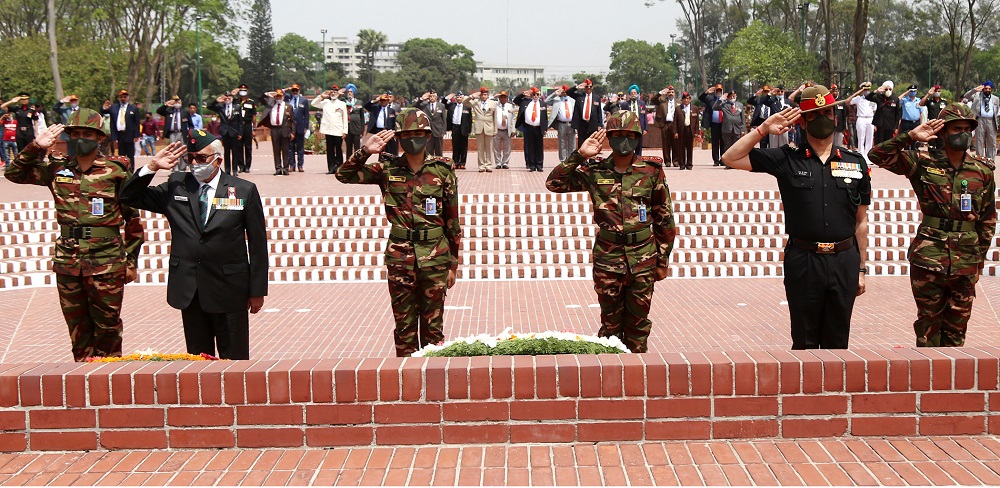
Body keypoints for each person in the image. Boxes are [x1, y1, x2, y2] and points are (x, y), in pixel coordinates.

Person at [722, 85, 871, 349]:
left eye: (826, 113)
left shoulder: (855, 162)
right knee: (804, 342)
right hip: (804, 262)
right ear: (801, 121)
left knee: (838, 343)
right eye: (813, 115)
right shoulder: (787, 159)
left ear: (835, 117)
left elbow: (861, 221)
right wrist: (763, 129)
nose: (822, 120)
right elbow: (730, 157)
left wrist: (861, 269)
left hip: (844, 261)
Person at [5, 109, 144, 361]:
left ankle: (109, 382)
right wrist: (36, 146)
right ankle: (82, 382)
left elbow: (133, 220)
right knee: (77, 329)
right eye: (76, 133)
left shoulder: (116, 170)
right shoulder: (56, 168)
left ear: (99, 138)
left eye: (87, 133)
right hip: (68, 262)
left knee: (108, 327)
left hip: (107, 261)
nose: (81, 138)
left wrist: (131, 262)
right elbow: (14, 173)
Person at [120, 130, 268, 360]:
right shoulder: (177, 185)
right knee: (198, 361)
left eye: (201, 158)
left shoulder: (243, 190)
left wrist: (257, 290)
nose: (195, 163)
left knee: (235, 360)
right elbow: (128, 196)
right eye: (190, 158)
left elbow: (258, 245)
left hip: (229, 288)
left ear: (217, 159)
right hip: (191, 289)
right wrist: (152, 166)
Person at [545, 111, 675, 352]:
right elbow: (555, 183)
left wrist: (662, 260)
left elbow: (664, 217)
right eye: (617, 135)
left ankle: (637, 376)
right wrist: (579, 155)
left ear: (638, 137)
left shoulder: (651, 170)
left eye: (629, 135)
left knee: (638, 326)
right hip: (608, 257)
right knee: (610, 326)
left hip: (643, 256)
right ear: (609, 138)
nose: (623, 141)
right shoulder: (595, 169)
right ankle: (611, 379)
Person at [868, 103, 996, 347]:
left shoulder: (982, 170)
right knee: (928, 328)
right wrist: (910, 136)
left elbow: (987, 219)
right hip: (929, 255)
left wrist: (978, 260)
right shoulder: (923, 161)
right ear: (943, 132)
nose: (963, 134)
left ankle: (951, 383)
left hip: (966, 258)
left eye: (967, 129)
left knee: (957, 328)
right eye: (956, 128)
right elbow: (877, 155)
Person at [336, 108, 461, 357]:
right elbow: (344, 175)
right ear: (399, 138)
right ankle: (408, 384)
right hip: (400, 256)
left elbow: (452, 220)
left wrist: (453, 264)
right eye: (406, 134)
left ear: (427, 136)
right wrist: (365, 151)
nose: (413, 139)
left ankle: (434, 383)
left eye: (418, 133)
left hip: (435, 255)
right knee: (404, 327)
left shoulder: (442, 169)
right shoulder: (386, 169)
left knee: (433, 329)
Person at [312, 85, 349, 174]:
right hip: (328, 130)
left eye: (335, 91)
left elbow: (345, 118)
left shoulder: (342, 104)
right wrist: (321, 96)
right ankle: (331, 167)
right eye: (331, 91)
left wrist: (345, 131)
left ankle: (339, 167)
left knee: (339, 149)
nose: (333, 93)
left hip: (338, 130)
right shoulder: (325, 102)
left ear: (338, 93)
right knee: (330, 150)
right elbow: (313, 103)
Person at [100, 89, 141, 170]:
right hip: (119, 134)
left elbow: (137, 123)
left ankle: (131, 170)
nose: (123, 98)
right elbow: (103, 112)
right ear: (119, 98)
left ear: (128, 98)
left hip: (130, 134)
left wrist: (136, 135)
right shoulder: (114, 107)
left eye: (125, 97)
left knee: (130, 155)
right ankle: (122, 170)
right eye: (121, 97)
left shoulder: (133, 109)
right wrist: (104, 107)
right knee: (121, 154)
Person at [259, 88, 296, 176]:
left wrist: (293, 132)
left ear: (283, 96)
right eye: (277, 96)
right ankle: (278, 168)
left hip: (285, 129)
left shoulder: (288, 106)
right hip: (275, 129)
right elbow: (260, 99)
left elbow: (293, 121)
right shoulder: (271, 105)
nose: (279, 98)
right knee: (276, 150)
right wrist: (268, 93)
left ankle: (286, 168)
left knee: (286, 150)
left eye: (280, 96)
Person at [207, 91, 245, 176]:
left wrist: (240, 133)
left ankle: (235, 170)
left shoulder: (237, 107)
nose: (227, 99)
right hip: (225, 132)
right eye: (226, 97)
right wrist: (216, 101)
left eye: (229, 97)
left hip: (234, 132)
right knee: (226, 152)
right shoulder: (220, 107)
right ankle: (227, 170)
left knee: (235, 152)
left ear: (232, 98)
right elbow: (209, 106)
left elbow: (240, 122)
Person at [963, 82, 1000, 161]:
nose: (987, 90)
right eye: (986, 88)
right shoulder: (977, 96)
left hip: (991, 121)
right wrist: (974, 90)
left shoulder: (996, 99)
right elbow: (965, 96)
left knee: (992, 142)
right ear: (983, 89)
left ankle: (990, 161)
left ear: (991, 90)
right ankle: (980, 161)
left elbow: (996, 110)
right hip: (980, 120)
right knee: (979, 141)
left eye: (989, 89)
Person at [513, 87, 548, 172]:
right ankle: (531, 165)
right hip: (529, 127)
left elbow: (545, 118)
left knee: (539, 147)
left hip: (538, 128)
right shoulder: (525, 102)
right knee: (530, 147)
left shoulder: (543, 104)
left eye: (537, 94)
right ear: (531, 95)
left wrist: (545, 128)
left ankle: (539, 165)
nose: (535, 96)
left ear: (539, 95)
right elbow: (515, 101)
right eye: (533, 94)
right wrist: (523, 94)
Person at [464, 87, 498, 173]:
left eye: (486, 94)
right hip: (479, 127)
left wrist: (495, 130)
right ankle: (481, 165)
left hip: (489, 127)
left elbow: (495, 117)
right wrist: (472, 96)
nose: (484, 96)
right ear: (480, 95)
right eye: (482, 94)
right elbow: (465, 102)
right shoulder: (476, 102)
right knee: (480, 148)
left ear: (488, 95)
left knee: (489, 148)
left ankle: (489, 165)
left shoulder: (493, 103)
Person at [157, 96, 193, 171]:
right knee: (173, 151)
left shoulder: (185, 112)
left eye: (178, 101)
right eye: (175, 102)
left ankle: (182, 168)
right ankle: (175, 168)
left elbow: (190, 124)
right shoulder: (168, 110)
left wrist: (190, 133)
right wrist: (166, 104)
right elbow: (159, 111)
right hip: (172, 133)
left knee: (183, 151)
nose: (177, 103)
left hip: (182, 133)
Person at [567, 79, 604, 147]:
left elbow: (599, 112)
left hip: (593, 124)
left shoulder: (596, 97)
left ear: (592, 87)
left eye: (590, 87)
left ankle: (591, 158)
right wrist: (577, 87)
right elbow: (568, 92)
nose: (588, 88)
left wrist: (600, 124)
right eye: (587, 87)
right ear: (584, 88)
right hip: (582, 124)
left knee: (592, 144)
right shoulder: (579, 96)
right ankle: (582, 158)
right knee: (582, 144)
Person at [546, 85, 577, 162]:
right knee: (562, 143)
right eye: (563, 92)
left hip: (572, 124)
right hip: (561, 124)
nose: (565, 93)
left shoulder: (573, 100)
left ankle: (570, 160)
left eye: (566, 92)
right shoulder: (557, 99)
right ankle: (563, 160)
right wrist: (554, 94)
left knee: (572, 143)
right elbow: (546, 101)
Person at [847, 82, 876, 163]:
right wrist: (858, 93)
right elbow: (848, 101)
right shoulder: (859, 98)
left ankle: (868, 156)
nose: (867, 91)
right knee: (861, 138)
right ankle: (861, 156)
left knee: (869, 138)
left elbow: (874, 110)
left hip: (870, 119)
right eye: (865, 89)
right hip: (861, 118)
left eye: (868, 89)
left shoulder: (873, 98)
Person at [865, 81, 901, 146]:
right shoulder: (879, 97)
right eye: (886, 89)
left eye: (890, 89)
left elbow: (897, 114)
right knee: (879, 144)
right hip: (880, 125)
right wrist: (876, 91)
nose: (888, 91)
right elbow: (867, 97)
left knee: (888, 144)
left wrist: (896, 127)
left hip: (890, 126)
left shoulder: (895, 99)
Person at [284, 84, 310, 172]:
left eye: (296, 90)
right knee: (290, 147)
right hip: (289, 127)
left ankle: (300, 165)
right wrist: (286, 89)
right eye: (293, 91)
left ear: (299, 91)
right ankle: (292, 165)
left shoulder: (304, 101)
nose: (295, 92)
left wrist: (306, 127)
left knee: (300, 148)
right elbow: (275, 94)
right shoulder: (287, 99)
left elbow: (306, 115)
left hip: (300, 127)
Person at [414, 91, 448, 157]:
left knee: (439, 150)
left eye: (433, 96)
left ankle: (439, 164)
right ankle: (430, 164)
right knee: (429, 150)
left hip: (438, 130)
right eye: (430, 96)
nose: (432, 98)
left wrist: (443, 131)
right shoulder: (424, 105)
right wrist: (421, 99)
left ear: (436, 97)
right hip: (428, 130)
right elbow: (415, 106)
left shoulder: (441, 106)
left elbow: (444, 119)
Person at [650, 86, 678, 167]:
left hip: (675, 125)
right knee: (666, 144)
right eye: (669, 92)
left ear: (675, 93)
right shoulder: (662, 101)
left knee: (676, 143)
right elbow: (652, 100)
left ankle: (676, 161)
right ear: (667, 94)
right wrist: (660, 93)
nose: (671, 94)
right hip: (665, 124)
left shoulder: (678, 103)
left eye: (672, 92)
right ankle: (667, 161)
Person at [444, 92, 471, 169]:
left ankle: (462, 163)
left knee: (464, 146)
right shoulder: (452, 106)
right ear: (455, 98)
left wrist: (469, 130)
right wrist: (447, 97)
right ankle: (456, 162)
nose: (459, 99)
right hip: (455, 127)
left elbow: (469, 120)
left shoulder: (467, 107)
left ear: (463, 98)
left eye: (460, 97)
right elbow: (444, 103)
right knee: (455, 146)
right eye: (458, 97)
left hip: (464, 128)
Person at [699, 84, 724, 166]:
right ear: (715, 92)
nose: (719, 92)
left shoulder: (725, 99)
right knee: (715, 142)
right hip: (714, 124)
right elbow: (701, 98)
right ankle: (716, 160)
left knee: (723, 142)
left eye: (720, 90)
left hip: (724, 124)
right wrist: (706, 92)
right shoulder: (710, 98)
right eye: (717, 91)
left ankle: (723, 159)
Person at [715, 90, 745, 158]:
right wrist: (721, 99)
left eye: (734, 96)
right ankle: (728, 163)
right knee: (727, 147)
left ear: (736, 96)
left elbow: (743, 119)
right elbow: (714, 107)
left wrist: (743, 129)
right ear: (728, 97)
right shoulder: (724, 105)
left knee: (736, 147)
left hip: (737, 129)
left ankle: (735, 162)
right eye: (730, 96)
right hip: (727, 129)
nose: (732, 97)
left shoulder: (740, 105)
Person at [235, 84, 257, 173]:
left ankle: (247, 166)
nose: (242, 91)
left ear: (247, 91)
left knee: (248, 147)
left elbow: (254, 116)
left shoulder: (251, 102)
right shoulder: (235, 102)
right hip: (238, 126)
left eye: (244, 90)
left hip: (247, 125)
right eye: (241, 90)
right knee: (238, 147)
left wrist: (254, 129)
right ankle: (241, 166)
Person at [673, 92, 697, 170]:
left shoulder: (694, 108)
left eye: (687, 98)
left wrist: (696, 132)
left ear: (690, 99)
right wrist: (675, 132)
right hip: (681, 130)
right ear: (682, 100)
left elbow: (696, 122)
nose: (686, 100)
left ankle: (689, 164)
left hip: (690, 130)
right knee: (681, 148)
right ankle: (682, 164)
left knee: (690, 148)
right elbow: (675, 121)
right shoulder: (678, 109)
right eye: (684, 99)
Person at [494, 91, 515, 169]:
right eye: (501, 97)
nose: (503, 98)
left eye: (504, 97)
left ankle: (505, 162)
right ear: (499, 98)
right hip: (497, 130)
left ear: (507, 98)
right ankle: (498, 162)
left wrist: (513, 130)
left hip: (507, 130)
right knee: (496, 148)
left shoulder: (510, 106)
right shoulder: (495, 105)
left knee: (507, 148)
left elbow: (513, 118)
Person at [899, 84, 922, 150]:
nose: (913, 92)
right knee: (906, 140)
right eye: (911, 91)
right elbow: (897, 99)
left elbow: (921, 113)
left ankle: (913, 157)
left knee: (914, 142)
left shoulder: (919, 100)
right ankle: (906, 157)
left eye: (914, 91)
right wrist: (905, 93)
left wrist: (920, 124)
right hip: (906, 123)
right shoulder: (904, 100)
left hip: (916, 123)